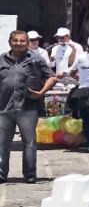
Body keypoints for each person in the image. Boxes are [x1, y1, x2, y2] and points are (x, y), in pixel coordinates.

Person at [0, 30, 56, 183]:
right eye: (15, 40)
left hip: (27, 109)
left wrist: (41, 92)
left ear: (27, 42)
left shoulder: (36, 60)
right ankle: (1, 174)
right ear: (10, 42)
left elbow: (51, 77)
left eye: (22, 41)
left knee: (29, 142)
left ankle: (30, 174)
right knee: (2, 143)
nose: (19, 43)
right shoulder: (1, 59)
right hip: (4, 108)